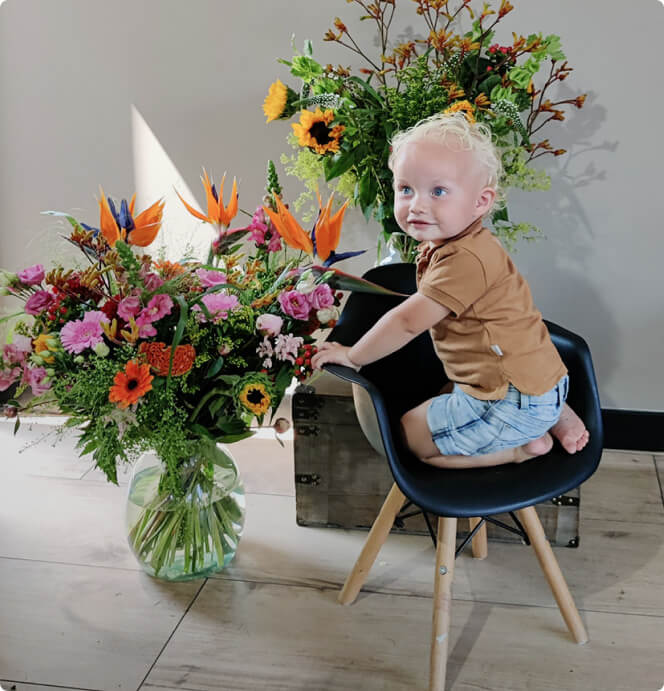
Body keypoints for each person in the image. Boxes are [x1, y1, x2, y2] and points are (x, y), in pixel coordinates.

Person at [311, 112, 589, 469]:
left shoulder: (465, 261)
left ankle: (524, 447)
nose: (417, 205)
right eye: (406, 189)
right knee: (455, 387)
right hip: (541, 377)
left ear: (480, 202)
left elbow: (408, 323)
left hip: (509, 399)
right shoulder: (459, 243)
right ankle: (552, 413)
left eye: (438, 191)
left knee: (411, 437)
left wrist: (354, 356)